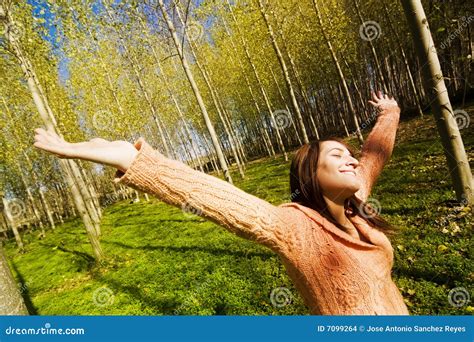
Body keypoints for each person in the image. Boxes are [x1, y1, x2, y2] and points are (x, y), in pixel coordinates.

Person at [33, 91, 409, 315]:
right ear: (311, 175)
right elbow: (213, 197)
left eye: (349, 154)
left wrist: (389, 113)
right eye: (337, 156)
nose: (351, 160)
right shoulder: (295, 228)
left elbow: (375, 155)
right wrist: (132, 160)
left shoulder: (354, 201)